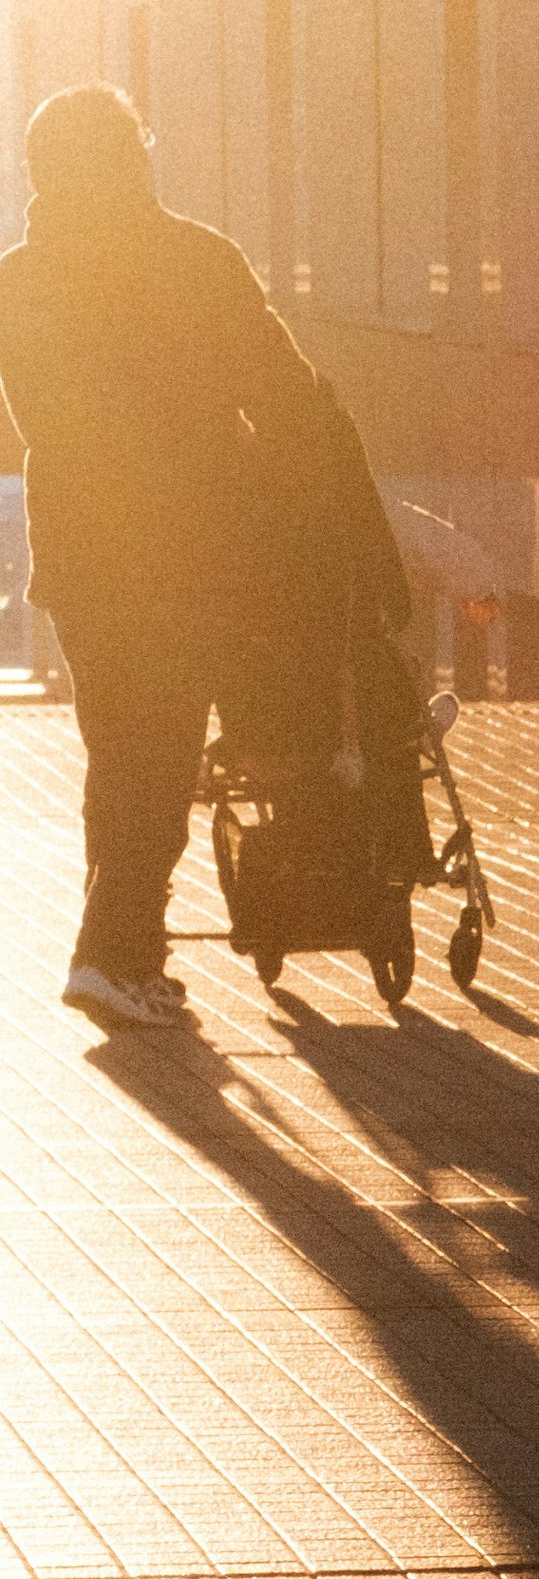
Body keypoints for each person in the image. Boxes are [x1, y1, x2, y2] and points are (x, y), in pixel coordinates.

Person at [0, 83, 345, 1030]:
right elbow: (284, 395)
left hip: (78, 559)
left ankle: (126, 955)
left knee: (120, 757)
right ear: (134, 157)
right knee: (158, 761)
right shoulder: (195, 261)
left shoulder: (17, 281)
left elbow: (42, 421)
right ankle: (107, 955)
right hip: (187, 554)